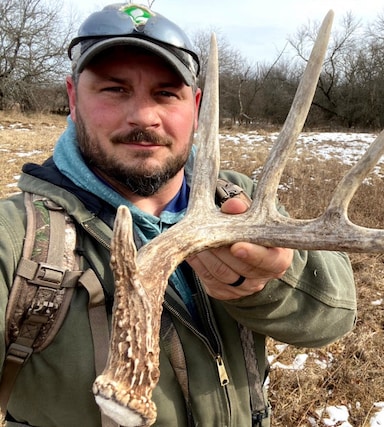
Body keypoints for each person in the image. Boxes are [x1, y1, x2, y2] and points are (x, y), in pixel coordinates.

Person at [0, 3, 356, 426]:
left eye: (166, 93)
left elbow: (336, 316)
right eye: (114, 89)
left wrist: (267, 281)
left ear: (198, 108)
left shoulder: (238, 198)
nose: (144, 117)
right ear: (73, 98)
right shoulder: (21, 236)